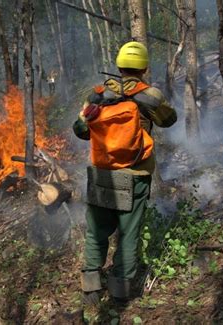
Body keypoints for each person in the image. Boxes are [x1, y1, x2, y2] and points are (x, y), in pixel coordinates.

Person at [73, 41, 177, 305]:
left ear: (119, 66)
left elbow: (81, 130)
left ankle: (91, 289)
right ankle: (119, 295)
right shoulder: (149, 95)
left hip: (101, 174)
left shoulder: (96, 95)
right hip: (136, 174)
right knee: (128, 233)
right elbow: (169, 120)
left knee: (97, 231)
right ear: (143, 68)